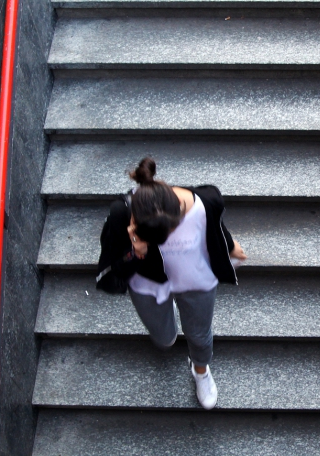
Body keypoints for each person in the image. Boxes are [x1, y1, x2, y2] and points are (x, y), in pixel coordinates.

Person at [104, 157, 247, 409]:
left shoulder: (205, 201)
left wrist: (231, 246)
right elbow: (111, 271)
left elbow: (215, 227)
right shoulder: (121, 214)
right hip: (149, 286)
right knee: (164, 338)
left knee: (200, 335)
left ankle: (200, 370)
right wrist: (136, 251)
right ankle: (168, 321)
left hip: (197, 281)